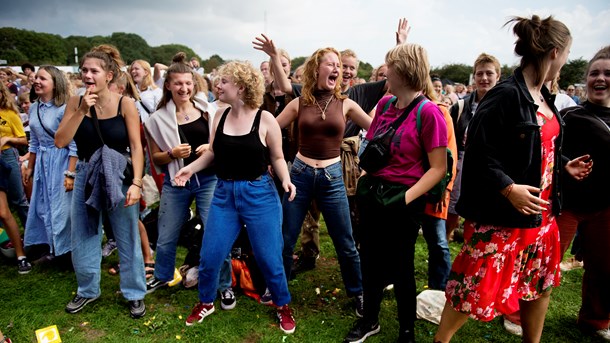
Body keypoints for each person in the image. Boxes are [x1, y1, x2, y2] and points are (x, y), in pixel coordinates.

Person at [433, 15, 592, 343]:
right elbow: (476, 154)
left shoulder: (543, 94)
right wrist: (508, 188)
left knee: (539, 285)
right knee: (472, 290)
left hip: (542, 214)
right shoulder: (505, 95)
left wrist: (562, 165)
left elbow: (537, 147)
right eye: (566, 55)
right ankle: (441, 340)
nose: (565, 61)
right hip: (503, 217)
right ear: (555, 52)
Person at [174, 60, 297, 334]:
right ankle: (206, 301)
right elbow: (213, 153)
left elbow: (277, 156)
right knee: (211, 254)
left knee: (269, 257)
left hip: (259, 194)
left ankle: (281, 304)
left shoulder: (265, 119)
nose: (217, 86)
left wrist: (286, 180)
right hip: (224, 194)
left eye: (224, 82)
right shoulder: (219, 116)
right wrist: (190, 168)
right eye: (218, 81)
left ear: (241, 87)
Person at [344, 43, 448, 343]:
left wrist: (405, 198)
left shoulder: (429, 113)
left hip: (403, 199)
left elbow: (438, 168)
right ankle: (370, 321)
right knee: (371, 261)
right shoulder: (387, 105)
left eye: (389, 65)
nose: (384, 70)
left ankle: (406, 331)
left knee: (402, 267)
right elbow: (370, 145)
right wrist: (365, 177)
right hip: (373, 194)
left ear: (403, 70)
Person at [272, 45, 372, 316]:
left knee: (345, 240)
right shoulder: (299, 102)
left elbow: (376, 129)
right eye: (331, 64)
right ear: (317, 69)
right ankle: (278, 289)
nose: (337, 69)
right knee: (286, 236)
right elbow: (270, 129)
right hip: (300, 176)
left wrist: (368, 162)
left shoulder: (346, 103)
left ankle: (358, 292)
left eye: (339, 65)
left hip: (333, 178)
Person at [55, 44, 146, 318]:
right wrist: (82, 110)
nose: (87, 75)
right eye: (84, 70)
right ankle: (87, 290)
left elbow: (136, 146)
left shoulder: (124, 103)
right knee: (83, 233)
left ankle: (134, 293)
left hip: (118, 175)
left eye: (94, 70)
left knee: (126, 234)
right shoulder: (74, 102)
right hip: (85, 174)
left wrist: (137, 183)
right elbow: (60, 141)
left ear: (109, 75)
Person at [143, 52, 234, 311]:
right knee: (167, 234)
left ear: (194, 84)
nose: (184, 88)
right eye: (178, 83)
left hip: (208, 179)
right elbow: (156, 159)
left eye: (188, 83)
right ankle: (162, 276)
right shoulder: (156, 118)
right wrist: (172, 153)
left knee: (216, 232)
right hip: (177, 181)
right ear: (168, 85)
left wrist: (210, 146)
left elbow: (224, 141)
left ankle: (224, 284)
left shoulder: (208, 110)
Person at [557, 45, 610, 341]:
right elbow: (547, 153)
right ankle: (517, 313)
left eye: (607, 73)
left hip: (606, 207)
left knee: (605, 267)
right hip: (569, 204)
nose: (600, 78)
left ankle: (596, 319)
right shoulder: (569, 115)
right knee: (545, 261)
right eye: (594, 73)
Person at [22, 66, 76, 266]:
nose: (36, 81)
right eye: (36, 77)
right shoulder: (34, 107)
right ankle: (53, 248)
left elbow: (74, 145)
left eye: (42, 78)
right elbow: (34, 142)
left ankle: (70, 253)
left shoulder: (64, 109)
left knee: (63, 208)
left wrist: (70, 174)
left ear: (55, 83)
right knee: (44, 206)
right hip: (43, 164)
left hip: (62, 162)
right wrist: (30, 166)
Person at [446, 53, 501, 242]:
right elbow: (450, 136)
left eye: (489, 73)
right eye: (479, 74)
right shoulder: (460, 106)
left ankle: (473, 245)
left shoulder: (505, 106)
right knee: (454, 205)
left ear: (498, 76)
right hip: (462, 162)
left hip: (492, 166)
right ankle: (448, 238)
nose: (484, 78)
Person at [0, 81, 31, 274]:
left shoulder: (9, 114)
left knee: (19, 200)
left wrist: (7, 139)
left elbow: (24, 139)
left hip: (7, 155)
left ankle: (32, 239)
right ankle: (9, 242)